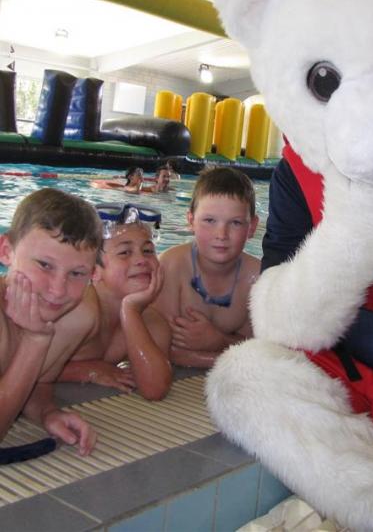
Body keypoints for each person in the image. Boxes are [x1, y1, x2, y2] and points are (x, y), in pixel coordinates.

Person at [0, 188, 101, 455]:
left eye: (77, 273)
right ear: (6, 251)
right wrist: (36, 340)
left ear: (93, 273)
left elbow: (39, 382)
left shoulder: (75, 317)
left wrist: (47, 413)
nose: (57, 290)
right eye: (44, 265)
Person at [59, 203, 173, 401]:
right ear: (93, 270)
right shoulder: (77, 309)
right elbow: (23, 362)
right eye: (125, 252)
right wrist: (83, 370)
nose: (141, 260)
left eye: (148, 251)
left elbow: (155, 389)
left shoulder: (152, 322)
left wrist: (130, 310)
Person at [156, 166, 260, 368]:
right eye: (209, 220)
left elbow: (261, 349)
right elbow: (160, 347)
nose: (221, 234)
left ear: (252, 227)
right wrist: (226, 353)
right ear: (191, 221)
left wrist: (218, 340)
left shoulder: (257, 278)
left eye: (236, 223)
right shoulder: (171, 267)